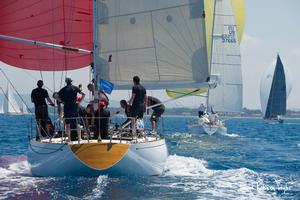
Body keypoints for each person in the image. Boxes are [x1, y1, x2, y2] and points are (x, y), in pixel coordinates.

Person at [58, 77, 85, 143]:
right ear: (71, 81)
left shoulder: (63, 89)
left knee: (68, 124)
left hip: (67, 107)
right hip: (74, 107)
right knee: (77, 122)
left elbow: (55, 96)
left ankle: (69, 139)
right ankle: (79, 138)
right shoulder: (75, 88)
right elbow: (83, 94)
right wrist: (79, 102)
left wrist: (62, 101)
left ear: (66, 82)